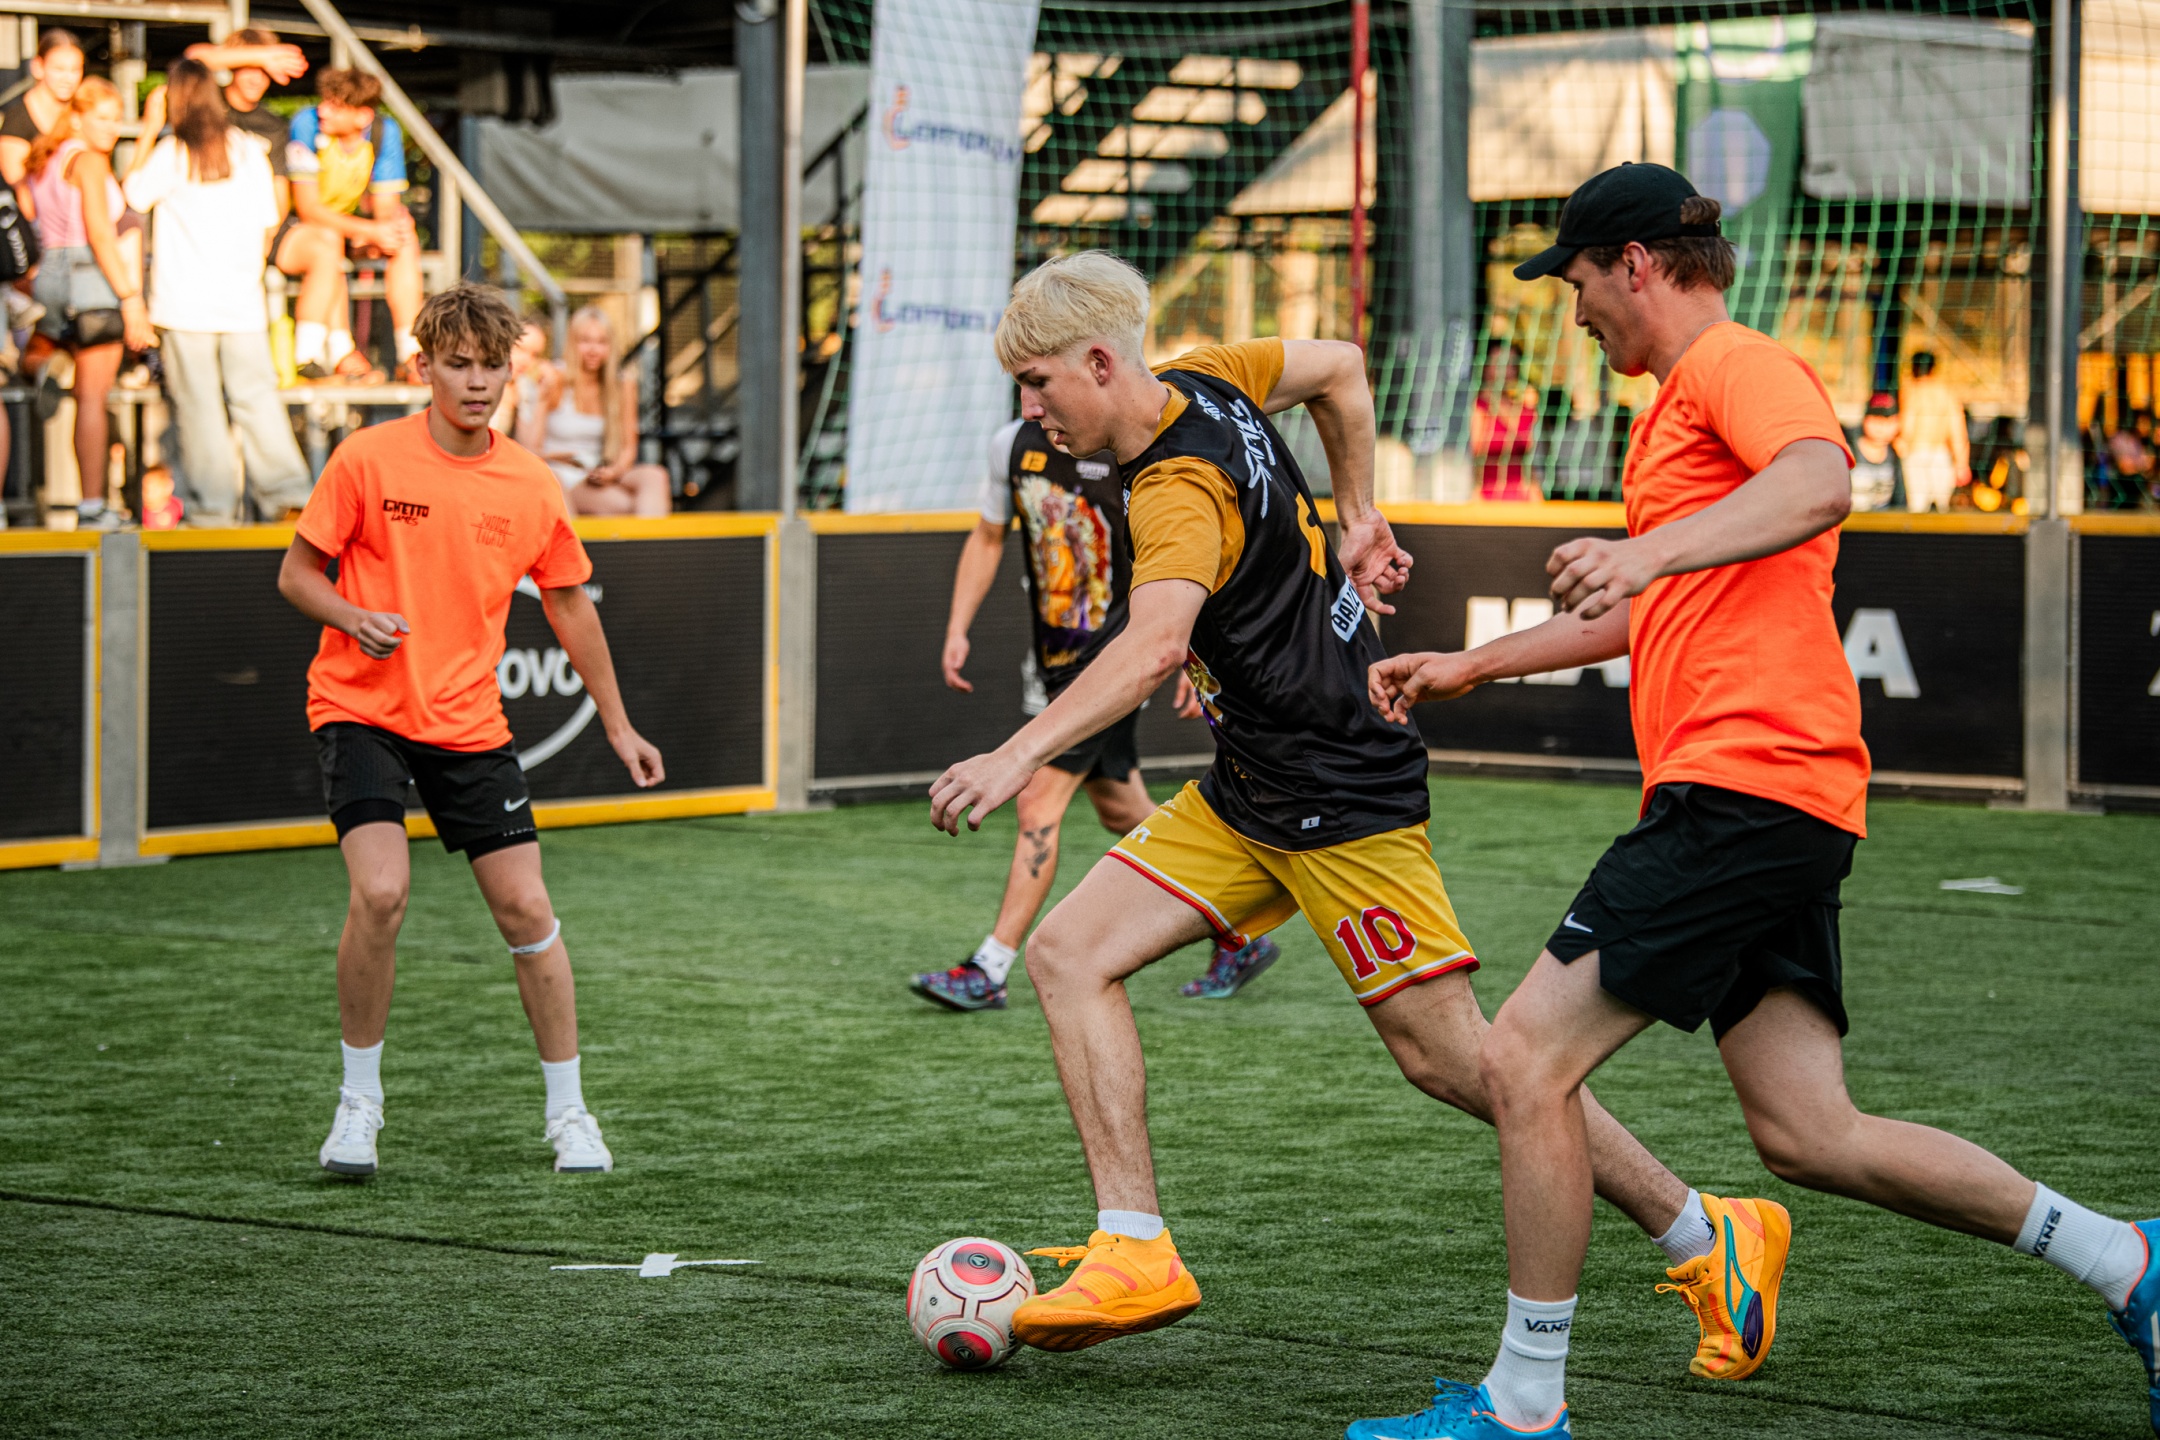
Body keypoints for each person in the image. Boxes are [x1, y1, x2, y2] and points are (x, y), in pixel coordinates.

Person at [1360, 163, 2159, 1440]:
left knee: (1519, 1062)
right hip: (1778, 796)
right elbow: (1643, 609)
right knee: (1809, 1133)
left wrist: (1646, 547)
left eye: (1576, 283)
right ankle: (2128, 1262)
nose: (1577, 313)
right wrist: (1473, 664)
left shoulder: (1732, 365)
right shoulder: (1672, 415)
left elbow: (1819, 480)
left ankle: (1522, 1403)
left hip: (1746, 786)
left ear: (1634, 265)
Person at [929, 251, 1771, 1368]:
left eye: (1038, 385)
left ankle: (1707, 1231)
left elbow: (1153, 645)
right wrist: (1359, 515)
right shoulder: (1210, 375)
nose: (1032, 412)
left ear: (1098, 361)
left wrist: (1015, 752)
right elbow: (1338, 366)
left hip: (1341, 795)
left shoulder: (1174, 488)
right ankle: (1134, 1246)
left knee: (1459, 1062)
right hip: (1250, 789)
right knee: (1068, 953)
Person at [275, 283, 666, 1179]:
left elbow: (569, 604)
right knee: (381, 893)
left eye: (493, 365)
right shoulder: (366, 459)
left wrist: (618, 724)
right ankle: (358, 1106)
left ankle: (570, 1114)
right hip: (360, 709)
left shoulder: (531, 481)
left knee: (527, 911)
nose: (479, 382)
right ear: (424, 367)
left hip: (468, 721)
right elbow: (297, 576)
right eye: (459, 364)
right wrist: (352, 615)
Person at [912, 415, 1278, 1012]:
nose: (1035, 399)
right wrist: (957, 627)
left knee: (1037, 801)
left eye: (1042, 379)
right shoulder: (1010, 445)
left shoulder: (1130, 448)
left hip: (1114, 663)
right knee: (1119, 808)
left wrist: (1188, 650)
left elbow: (1188, 552)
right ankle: (1238, 933)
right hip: (1053, 660)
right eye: (1024, 383)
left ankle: (990, 967)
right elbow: (987, 537)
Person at [124, 58, 312, 524]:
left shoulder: (173, 151)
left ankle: (214, 509)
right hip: (241, 303)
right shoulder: (247, 149)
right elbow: (269, 222)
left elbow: (132, 194)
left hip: (184, 304)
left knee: (200, 409)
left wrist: (148, 128)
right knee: (256, 398)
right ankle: (288, 495)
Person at [25, 77, 152, 530]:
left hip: (49, 275)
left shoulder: (45, 157)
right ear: (77, 117)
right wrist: (131, 299)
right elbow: (100, 232)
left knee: (47, 348)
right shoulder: (91, 161)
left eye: (117, 118)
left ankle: (45, 366)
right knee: (93, 398)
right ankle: (92, 505)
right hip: (90, 278)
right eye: (103, 118)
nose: (113, 128)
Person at [275, 69, 418, 382]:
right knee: (327, 240)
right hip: (299, 230)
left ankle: (410, 354)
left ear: (362, 115)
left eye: (336, 106)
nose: (323, 111)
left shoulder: (383, 131)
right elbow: (308, 208)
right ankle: (323, 355)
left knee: (404, 238)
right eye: (324, 101)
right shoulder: (306, 124)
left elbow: (385, 205)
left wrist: (388, 227)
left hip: (346, 229)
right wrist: (368, 231)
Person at [521, 305, 671, 516]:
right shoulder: (555, 378)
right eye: (585, 341)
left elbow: (628, 448)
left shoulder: (622, 385)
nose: (593, 349)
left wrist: (614, 471)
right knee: (624, 506)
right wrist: (565, 457)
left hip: (596, 473)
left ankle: (652, 537)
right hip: (561, 474)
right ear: (572, 343)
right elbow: (529, 450)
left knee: (655, 476)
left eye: (601, 342)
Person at [0, 28, 84, 189]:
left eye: (75, 70)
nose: (68, 78)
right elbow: (21, 189)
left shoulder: (80, 114)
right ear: (38, 67)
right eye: (59, 69)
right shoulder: (17, 122)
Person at [1897, 350, 1967, 513]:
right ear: (1934, 368)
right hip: (1940, 453)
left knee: (1916, 507)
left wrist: (1901, 446)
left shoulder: (1909, 391)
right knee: (1942, 508)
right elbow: (1957, 430)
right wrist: (1961, 462)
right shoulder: (1946, 393)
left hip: (1915, 452)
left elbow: (1907, 425)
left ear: (1913, 367)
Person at [1470, 343, 1540, 501]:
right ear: (1486, 367)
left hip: (1524, 496)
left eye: (1510, 364)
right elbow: (1475, 455)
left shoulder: (1526, 408)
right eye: (1499, 364)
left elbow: (1529, 458)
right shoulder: (1478, 407)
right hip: (1489, 496)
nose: (1506, 370)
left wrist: (1536, 494)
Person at [490, 316, 551, 440]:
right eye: (521, 349)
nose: (526, 360)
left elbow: (528, 445)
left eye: (535, 355)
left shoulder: (526, 391)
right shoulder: (481, 385)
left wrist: (540, 397)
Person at [1846, 391, 1904, 512]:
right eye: (1876, 420)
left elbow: (1900, 501)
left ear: (1897, 424)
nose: (1881, 428)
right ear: (1865, 420)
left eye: (1888, 421)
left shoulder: (1896, 456)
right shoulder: (1848, 451)